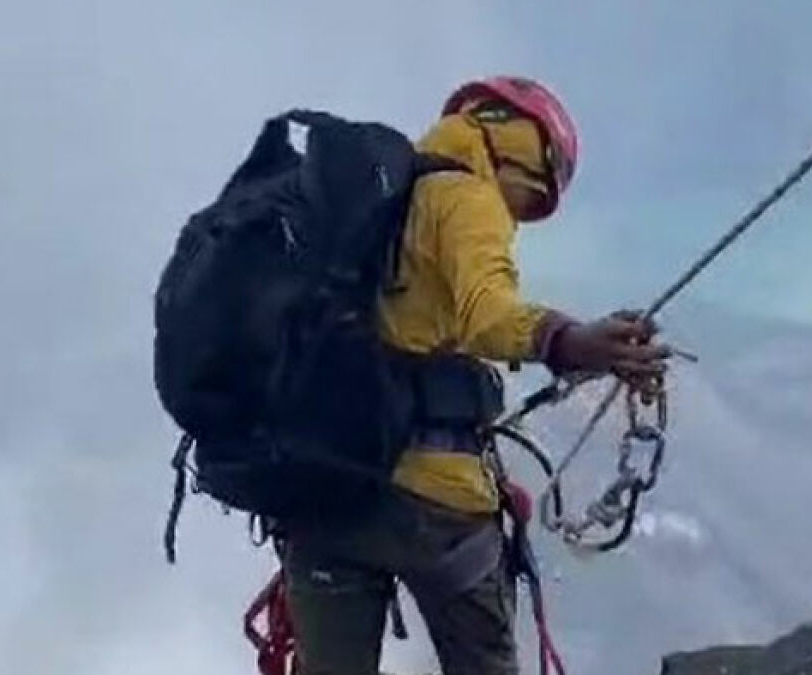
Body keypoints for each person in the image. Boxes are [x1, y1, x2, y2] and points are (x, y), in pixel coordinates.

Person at [280, 76, 671, 675]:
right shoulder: (465, 197)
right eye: (530, 201)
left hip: (323, 492)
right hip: (434, 501)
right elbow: (487, 314)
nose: (519, 218)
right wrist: (572, 341)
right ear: (531, 156)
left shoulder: (379, 200)